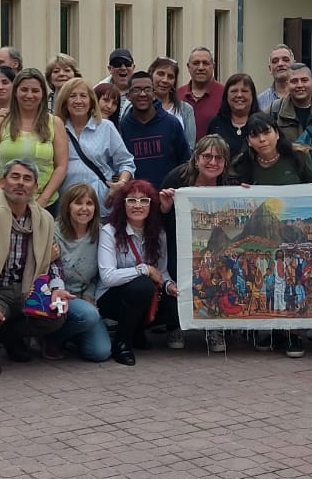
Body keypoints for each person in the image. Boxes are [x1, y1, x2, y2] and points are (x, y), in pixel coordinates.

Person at [0, 158, 69, 376]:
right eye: (15, 177)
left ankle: (10, 336)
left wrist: (57, 287)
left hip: (26, 287)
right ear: (2, 182)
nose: (21, 183)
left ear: (35, 188)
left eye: (27, 179)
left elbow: (53, 259)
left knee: (57, 312)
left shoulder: (44, 219)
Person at [231, 113, 312, 359]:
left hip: (291, 232)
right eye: (255, 135)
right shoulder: (243, 165)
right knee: (266, 282)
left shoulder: (298, 157)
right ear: (248, 140)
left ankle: (294, 334)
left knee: (291, 281)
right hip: (261, 235)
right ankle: (266, 328)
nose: (262, 139)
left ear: (277, 133)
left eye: (267, 132)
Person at [158, 135, 236, 353]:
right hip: (178, 242)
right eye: (207, 156)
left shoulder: (230, 183)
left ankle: (214, 327)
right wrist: (164, 207)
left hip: (215, 243)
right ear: (196, 158)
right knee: (175, 270)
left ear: (225, 162)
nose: (212, 162)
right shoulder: (177, 178)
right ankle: (175, 324)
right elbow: (159, 220)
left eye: (219, 158)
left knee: (219, 274)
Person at [97, 180, 178, 366]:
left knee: (174, 302)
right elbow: (108, 277)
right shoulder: (109, 232)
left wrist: (169, 285)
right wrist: (144, 269)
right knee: (142, 285)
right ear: (122, 203)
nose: (137, 206)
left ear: (152, 204)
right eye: (131, 200)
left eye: (144, 201)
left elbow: (162, 271)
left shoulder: (159, 233)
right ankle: (122, 343)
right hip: (110, 297)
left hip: (142, 294)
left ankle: (137, 331)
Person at [0, 68, 68, 210]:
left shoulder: (55, 123)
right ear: (15, 92)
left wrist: (43, 200)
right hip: (3, 203)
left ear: (43, 94)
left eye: (35, 91)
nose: (29, 95)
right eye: (24, 90)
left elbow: (61, 166)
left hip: (44, 204)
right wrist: (0, 194)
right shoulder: (0, 122)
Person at [46, 183, 113, 362]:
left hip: (82, 297)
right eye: (78, 203)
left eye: (89, 204)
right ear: (67, 206)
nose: (84, 209)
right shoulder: (52, 231)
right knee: (89, 315)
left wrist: (90, 294)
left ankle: (71, 334)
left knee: (100, 352)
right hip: (54, 296)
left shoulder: (99, 233)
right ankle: (51, 339)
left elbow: (100, 272)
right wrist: (47, 258)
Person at [55, 77, 135, 209]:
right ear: (64, 102)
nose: (78, 101)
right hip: (67, 203)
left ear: (91, 101)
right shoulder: (56, 128)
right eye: (72, 96)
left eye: (83, 96)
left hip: (101, 201)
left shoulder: (106, 127)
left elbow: (126, 162)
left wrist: (121, 183)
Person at [119, 71, 192, 189]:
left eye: (147, 90)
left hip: (168, 198)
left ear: (154, 94)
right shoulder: (123, 128)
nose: (142, 94)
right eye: (136, 90)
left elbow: (185, 164)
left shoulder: (171, 124)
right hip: (136, 201)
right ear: (128, 96)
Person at [143, 55, 196, 148]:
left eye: (170, 77)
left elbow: (189, 147)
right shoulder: (136, 106)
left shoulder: (185, 109)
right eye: (161, 74)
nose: (165, 80)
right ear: (151, 74)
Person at [207, 72, 261, 159]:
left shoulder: (263, 124)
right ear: (226, 96)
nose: (239, 95)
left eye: (244, 91)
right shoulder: (216, 124)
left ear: (252, 95)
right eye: (234, 91)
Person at [257, 45, 312, 110]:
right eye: (275, 61)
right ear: (270, 69)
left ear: (294, 64)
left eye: (286, 60)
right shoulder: (260, 101)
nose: (280, 64)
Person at [178, 46, 224, 140]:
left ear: (213, 66)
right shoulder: (177, 95)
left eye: (205, 63)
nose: (201, 67)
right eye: (196, 63)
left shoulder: (225, 94)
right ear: (188, 66)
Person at [268, 62, 312, 144]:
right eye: (294, 81)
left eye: (304, 80)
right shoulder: (275, 110)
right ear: (287, 84)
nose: (299, 85)